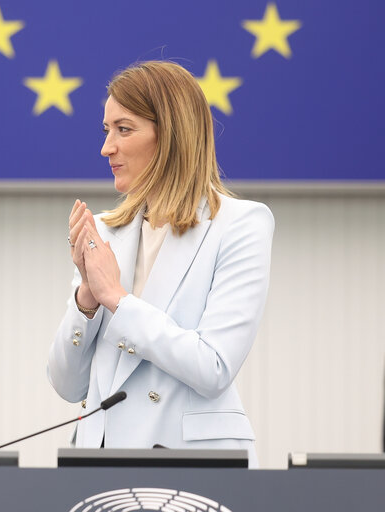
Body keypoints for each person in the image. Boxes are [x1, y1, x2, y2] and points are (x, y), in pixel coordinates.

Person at [48, 61, 274, 467]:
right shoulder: (104, 229)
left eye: (124, 129)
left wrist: (117, 298)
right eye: (106, 131)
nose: (106, 147)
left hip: (193, 473)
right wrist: (87, 298)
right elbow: (66, 384)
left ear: (169, 134)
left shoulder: (241, 225)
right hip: (98, 474)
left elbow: (213, 367)